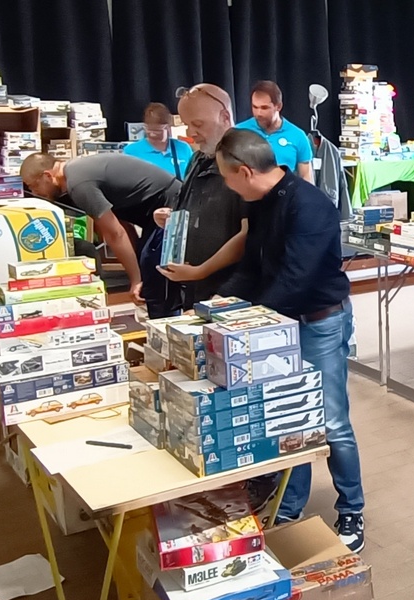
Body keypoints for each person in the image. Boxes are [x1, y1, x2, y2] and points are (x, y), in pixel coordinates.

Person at [214, 128, 365, 551]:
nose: (227, 186)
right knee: (287, 418)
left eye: (226, 177)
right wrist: (216, 306)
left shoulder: (310, 205)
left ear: (245, 172)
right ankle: (290, 503)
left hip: (319, 322)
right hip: (281, 322)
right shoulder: (262, 203)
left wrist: (249, 320)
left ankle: (352, 509)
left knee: (331, 423)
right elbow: (252, 268)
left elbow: (296, 278)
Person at [21, 152, 182, 303]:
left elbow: (115, 234)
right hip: (159, 206)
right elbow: (121, 224)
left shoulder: (78, 185)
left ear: (47, 176)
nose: (35, 192)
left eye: (33, 186)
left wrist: (136, 280)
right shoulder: (77, 172)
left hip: (170, 204)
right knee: (150, 273)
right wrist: (138, 269)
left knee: (156, 285)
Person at [148, 84, 251, 317]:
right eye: (186, 124)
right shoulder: (198, 158)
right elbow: (193, 205)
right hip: (196, 289)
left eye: (198, 124)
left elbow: (249, 237)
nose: (191, 132)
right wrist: (171, 216)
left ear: (224, 117)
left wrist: (204, 276)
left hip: (228, 294)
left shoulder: (245, 161)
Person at [233, 80, 315, 182]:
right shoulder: (237, 132)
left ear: (279, 106)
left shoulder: (298, 136)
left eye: (264, 108)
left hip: (284, 191)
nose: (258, 113)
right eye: (255, 107)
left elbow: (307, 179)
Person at [123, 101, 192, 179]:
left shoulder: (183, 148)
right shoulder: (131, 151)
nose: (152, 135)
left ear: (168, 128)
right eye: (149, 130)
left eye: (157, 131)